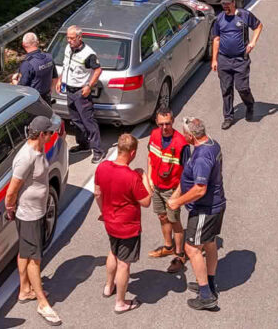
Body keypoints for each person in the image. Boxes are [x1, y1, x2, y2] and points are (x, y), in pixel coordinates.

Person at [6, 116, 63, 326]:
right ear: (41, 134)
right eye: (49, 133)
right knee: (34, 259)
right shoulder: (26, 157)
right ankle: (42, 303)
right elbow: (11, 191)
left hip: (37, 212)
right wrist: (11, 209)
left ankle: (25, 290)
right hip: (29, 215)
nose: (52, 135)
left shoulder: (38, 151)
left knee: (25, 252)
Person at [167, 116, 227, 312]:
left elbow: (200, 189)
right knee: (209, 244)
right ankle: (209, 283)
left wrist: (177, 201)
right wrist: (179, 191)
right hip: (215, 205)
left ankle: (206, 295)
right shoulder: (212, 143)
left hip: (204, 209)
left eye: (185, 134)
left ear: (191, 136)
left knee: (192, 248)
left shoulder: (202, 157)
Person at [93, 133, 152, 314]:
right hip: (128, 226)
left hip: (109, 221)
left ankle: (108, 286)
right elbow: (146, 201)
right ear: (132, 153)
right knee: (124, 263)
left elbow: (97, 192)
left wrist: (103, 211)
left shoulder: (102, 167)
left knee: (113, 251)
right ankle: (120, 302)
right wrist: (144, 178)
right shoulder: (132, 177)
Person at [146, 106, 190, 274]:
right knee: (162, 216)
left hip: (172, 189)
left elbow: (187, 172)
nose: (164, 128)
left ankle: (179, 255)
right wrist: (149, 179)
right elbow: (150, 157)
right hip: (157, 186)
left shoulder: (181, 144)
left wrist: (178, 194)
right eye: (161, 124)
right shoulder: (154, 135)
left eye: (167, 124)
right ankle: (168, 246)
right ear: (157, 122)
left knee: (174, 221)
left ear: (173, 122)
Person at [212, 0, 262, 130]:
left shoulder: (244, 15)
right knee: (226, 89)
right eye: (223, 4)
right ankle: (228, 117)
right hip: (224, 60)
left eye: (227, 3)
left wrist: (252, 43)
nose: (225, 6)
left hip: (241, 60)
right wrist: (214, 60)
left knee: (242, 88)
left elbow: (258, 26)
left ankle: (250, 104)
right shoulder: (219, 19)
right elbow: (216, 39)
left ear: (233, 2)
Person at [56, 25, 104, 162]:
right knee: (76, 121)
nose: (69, 41)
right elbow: (66, 66)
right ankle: (83, 145)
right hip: (69, 90)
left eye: (72, 38)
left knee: (89, 122)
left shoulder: (88, 54)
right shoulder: (68, 48)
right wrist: (60, 80)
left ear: (79, 37)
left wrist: (89, 85)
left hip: (80, 92)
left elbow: (98, 70)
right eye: (68, 38)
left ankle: (98, 151)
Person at [12, 32, 56, 103]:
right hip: (47, 100)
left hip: (33, 102)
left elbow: (22, 88)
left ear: (23, 45)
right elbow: (55, 78)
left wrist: (14, 81)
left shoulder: (27, 64)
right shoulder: (49, 57)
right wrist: (49, 91)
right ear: (37, 42)